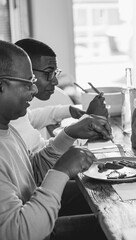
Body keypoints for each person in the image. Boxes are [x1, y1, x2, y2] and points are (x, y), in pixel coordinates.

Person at [0, 40, 111, 239]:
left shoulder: (8, 130)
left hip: (37, 219)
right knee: (114, 230)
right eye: (27, 83)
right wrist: (61, 170)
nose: (33, 91)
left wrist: (69, 136)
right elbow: (19, 232)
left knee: (109, 205)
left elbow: (31, 174)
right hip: (34, 229)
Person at [11, 38, 108, 152]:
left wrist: (69, 110)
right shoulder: (11, 119)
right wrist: (81, 129)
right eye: (49, 73)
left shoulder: (14, 111)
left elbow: (30, 118)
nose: (56, 81)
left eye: (55, 73)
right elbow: (46, 156)